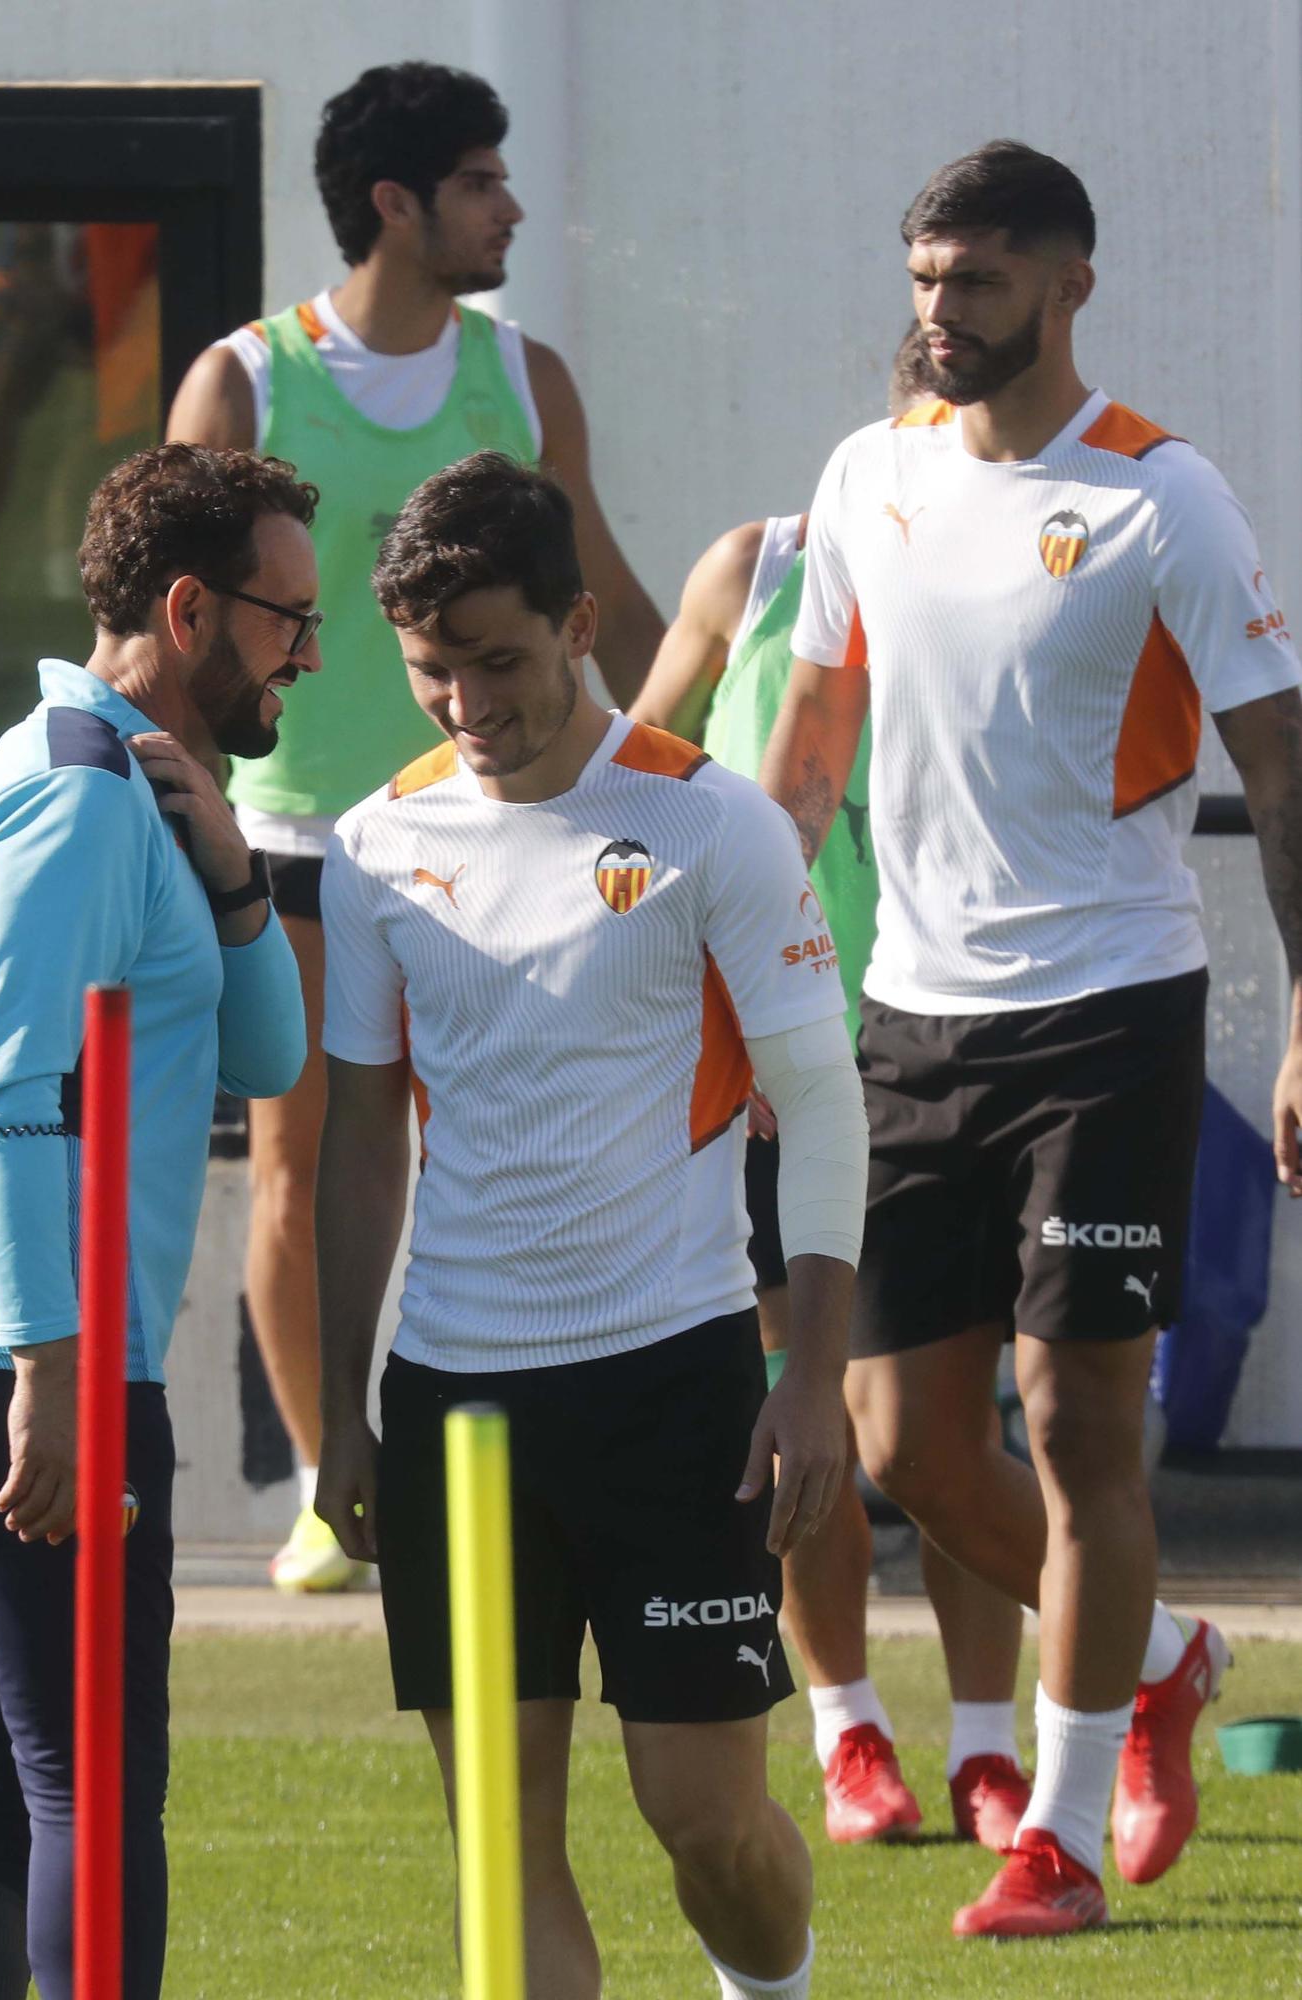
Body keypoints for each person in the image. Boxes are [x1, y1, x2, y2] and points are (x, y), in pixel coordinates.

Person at [763, 139, 1302, 1937]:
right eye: (922, 281)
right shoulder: (864, 477)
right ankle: (1156, 1664)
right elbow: (808, 746)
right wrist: (739, 984)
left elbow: (1282, 761)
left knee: (1079, 1426)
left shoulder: (1164, 498)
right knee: (905, 1449)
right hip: (905, 1018)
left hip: (1109, 1020)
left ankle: (1056, 1837)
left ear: (1069, 285)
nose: (937, 316)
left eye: (975, 284)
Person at [315, 452, 868, 2000]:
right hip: (457, 1412)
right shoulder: (372, 849)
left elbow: (819, 1108)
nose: (464, 704)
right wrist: (346, 1420)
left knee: (704, 1821)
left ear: (573, 624)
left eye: (495, 662)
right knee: (501, 1848)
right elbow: (360, 1139)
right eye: (431, 673)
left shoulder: (714, 824)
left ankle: (771, 1984)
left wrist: (810, 1373)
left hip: (673, 1388)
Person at [167, 61, 665, 1591]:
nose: (510, 206)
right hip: (298, 843)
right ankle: (335, 1489)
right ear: (394, 205)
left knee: (498, 1154)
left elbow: (612, 603)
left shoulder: (524, 380)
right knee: (301, 1163)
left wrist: (707, 779)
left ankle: (510, 1461)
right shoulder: (244, 379)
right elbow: (172, 631)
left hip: (488, 847)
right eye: (478, 181)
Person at [0, 441, 312, 2000]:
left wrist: (235, 881)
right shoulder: (77, 801)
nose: (304, 657)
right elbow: (0, 1100)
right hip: (18, 1348)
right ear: (187, 609)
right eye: (282, 620)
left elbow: (265, 1061)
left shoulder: (132, 792)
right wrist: (55, 1372)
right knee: (84, 1788)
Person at [629, 329, 1028, 1852]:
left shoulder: (1013, 583)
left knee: (940, 1415)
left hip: (934, 1050)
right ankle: (850, 1730)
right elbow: (637, 762)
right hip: (764, 1067)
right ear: (886, 432)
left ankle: (989, 1746)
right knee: (798, 1422)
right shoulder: (759, 569)